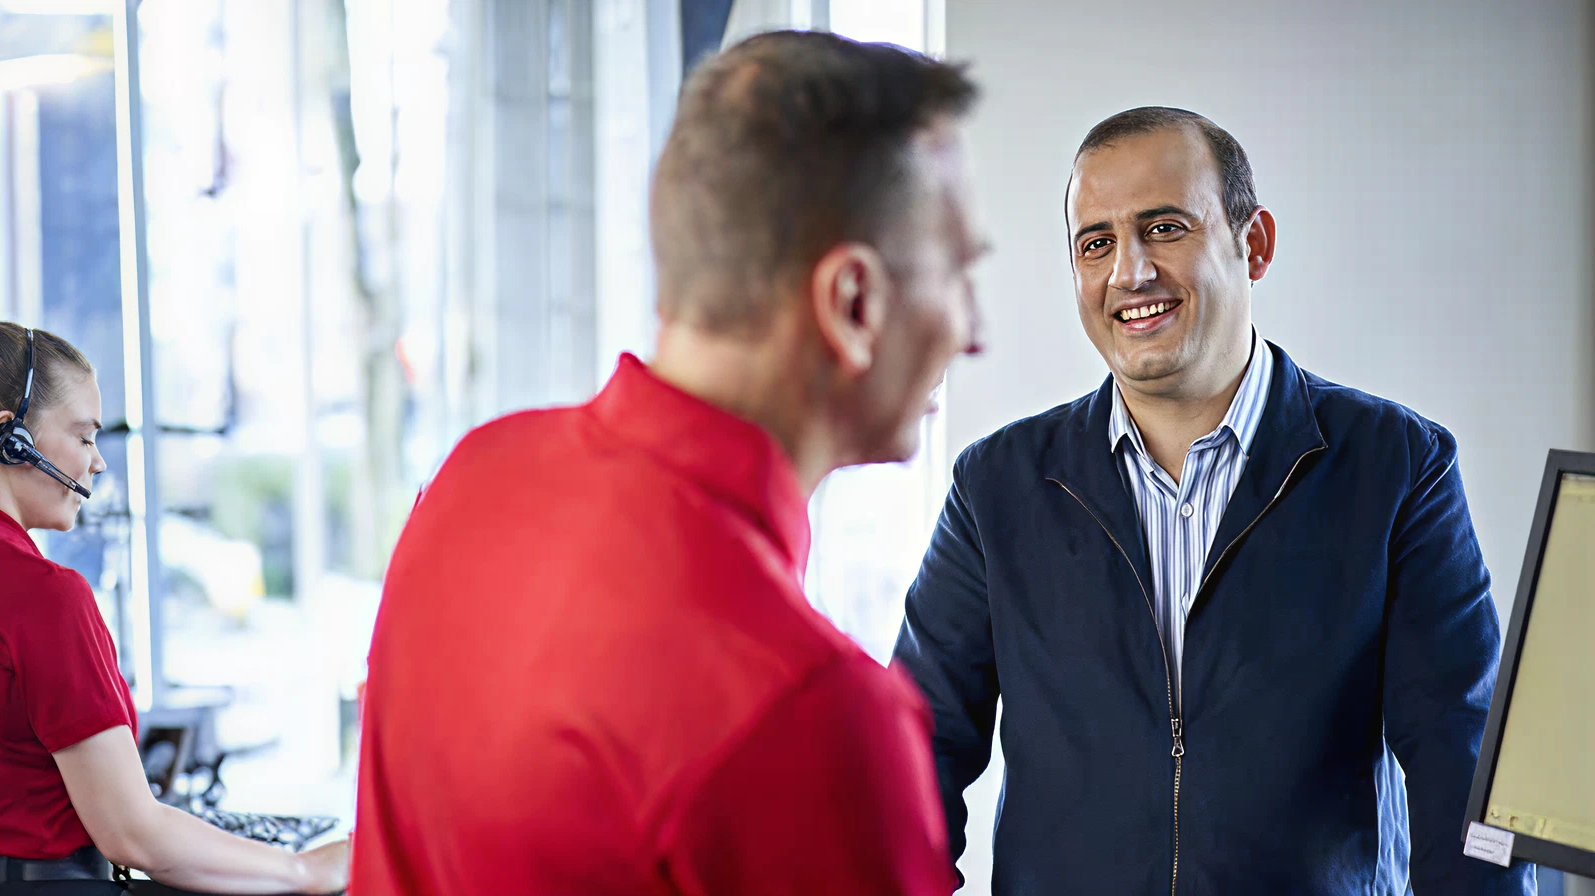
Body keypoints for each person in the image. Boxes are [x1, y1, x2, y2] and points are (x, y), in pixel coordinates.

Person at [352, 32, 984, 896]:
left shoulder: (471, 479)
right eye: (958, 274)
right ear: (853, 303)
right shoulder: (811, 712)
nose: (973, 331)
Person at [894, 107, 1533, 895]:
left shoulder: (1399, 467)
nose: (1129, 273)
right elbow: (911, 761)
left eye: (1164, 229)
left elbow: (1462, 767)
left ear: (1253, 244)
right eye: (1096, 243)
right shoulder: (996, 486)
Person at [0, 321, 350, 895]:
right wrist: (305, 870)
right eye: (83, 438)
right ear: (7, 439)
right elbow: (134, 836)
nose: (98, 463)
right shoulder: (42, 595)